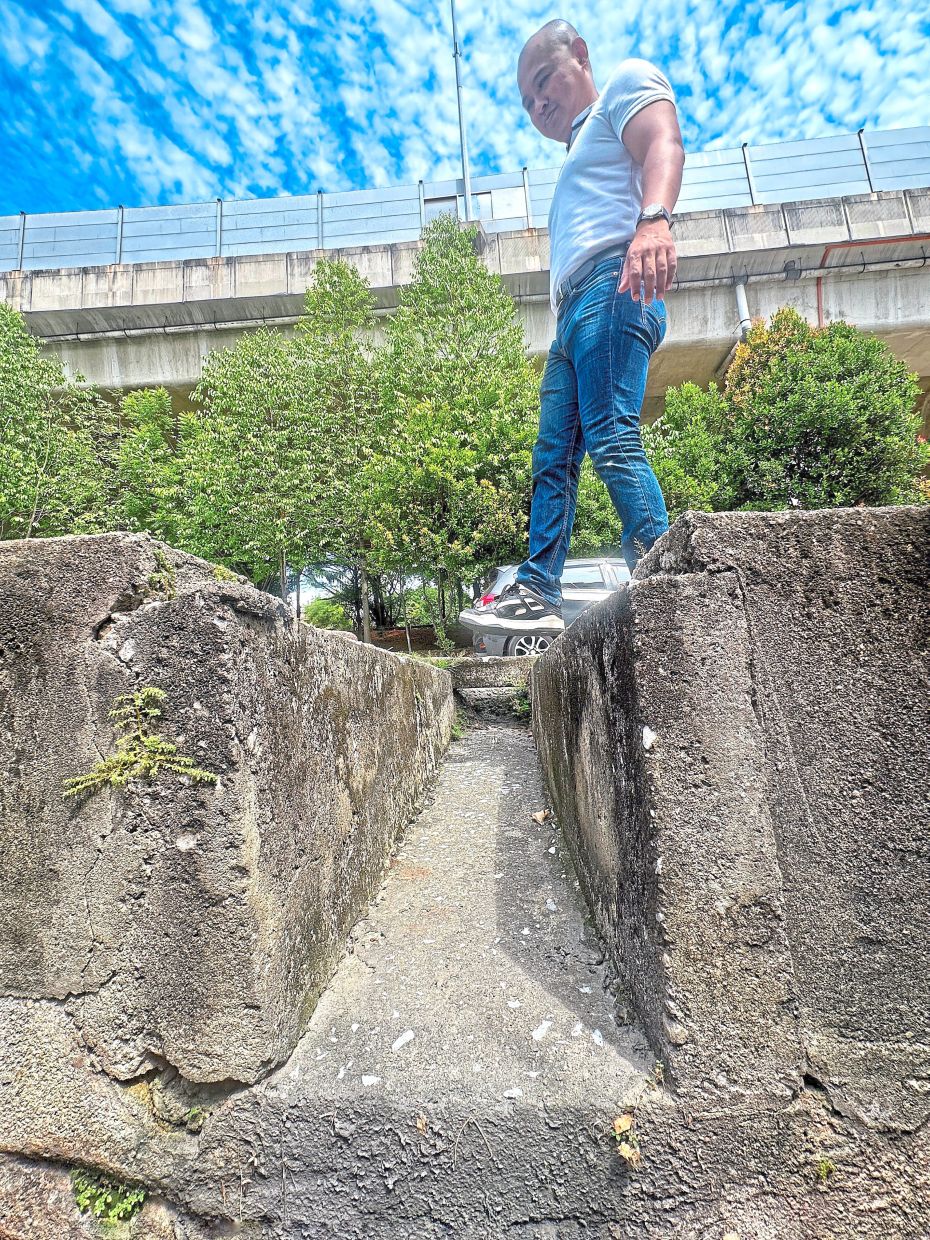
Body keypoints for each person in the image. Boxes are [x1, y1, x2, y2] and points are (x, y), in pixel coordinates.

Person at [464, 19, 684, 635]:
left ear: (580, 56)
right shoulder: (574, 159)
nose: (539, 105)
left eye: (544, 83)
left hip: (614, 284)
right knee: (553, 456)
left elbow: (664, 142)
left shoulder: (623, 84)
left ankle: (665, 576)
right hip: (570, 318)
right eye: (528, 102)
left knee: (612, 435)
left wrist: (655, 220)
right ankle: (538, 589)